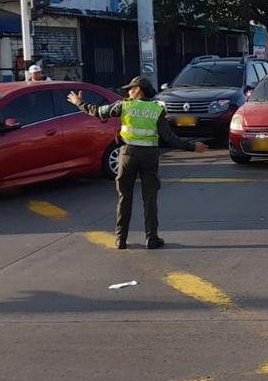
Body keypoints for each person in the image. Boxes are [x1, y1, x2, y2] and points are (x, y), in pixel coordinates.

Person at [68, 76, 208, 250]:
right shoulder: (157, 109)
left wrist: (79, 102)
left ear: (139, 90)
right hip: (149, 156)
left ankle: (120, 239)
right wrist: (192, 147)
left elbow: (98, 111)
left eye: (131, 88)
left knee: (124, 198)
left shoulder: (124, 105)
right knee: (150, 198)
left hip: (128, 154)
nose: (128, 91)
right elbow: (169, 137)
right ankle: (152, 238)